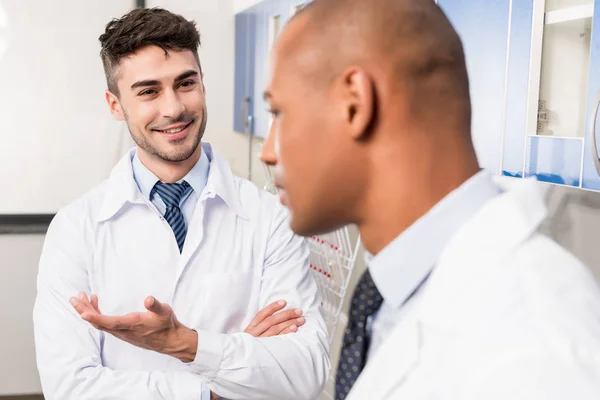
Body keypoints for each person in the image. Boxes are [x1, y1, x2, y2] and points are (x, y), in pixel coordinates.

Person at [260, 0, 600, 399]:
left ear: (355, 103)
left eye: (279, 113)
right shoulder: (396, 292)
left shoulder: (535, 353)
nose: (268, 150)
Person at [33, 7, 329, 400]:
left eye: (185, 83)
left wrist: (185, 343)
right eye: (149, 91)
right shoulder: (75, 230)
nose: (173, 108)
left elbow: (304, 373)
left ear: (203, 85)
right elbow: (70, 388)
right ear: (115, 105)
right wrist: (218, 385)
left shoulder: (270, 218)